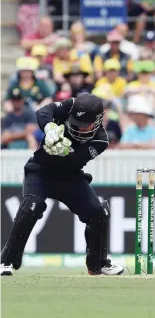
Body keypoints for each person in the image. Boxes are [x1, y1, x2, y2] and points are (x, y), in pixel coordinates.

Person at [1, 93, 124, 276]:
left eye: (84, 126)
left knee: (98, 212)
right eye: (75, 123)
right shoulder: (70, 105)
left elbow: (75, 161)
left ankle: (98, 263)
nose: (78, 129)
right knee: (31, 207)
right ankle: (6, 261)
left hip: (70, 176)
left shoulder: (101, 140)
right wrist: (50, 129)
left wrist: (63, 150)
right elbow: (43, 111)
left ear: (98, 121)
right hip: (40, 171)